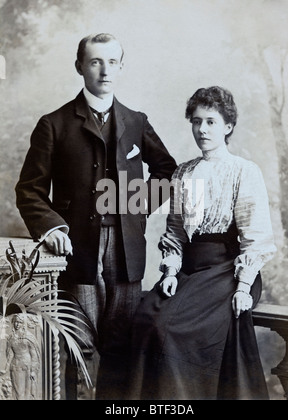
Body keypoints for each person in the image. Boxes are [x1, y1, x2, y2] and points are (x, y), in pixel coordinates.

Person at [15, 33, 177, 400]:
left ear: (122, 67)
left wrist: (135, 208)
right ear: (79, 67)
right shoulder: (53, 124)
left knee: (121, 346)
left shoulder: (136, 121)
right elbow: (29, 190)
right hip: (78, 250)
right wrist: (52, 227)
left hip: (127, 250)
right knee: (79, 346)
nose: (105, 71)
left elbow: (168, 172)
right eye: (95, 62)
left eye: (113, 62)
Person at [126, 86, 277, 400]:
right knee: (144, 320)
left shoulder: (243, 171)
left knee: (171, 329)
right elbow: (176, 234)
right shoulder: (183, 174)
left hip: (228, 270)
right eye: (196, 121)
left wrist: (243, 287)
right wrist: (169, 273)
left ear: (228, 126)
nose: (202, 129)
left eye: (210, 121)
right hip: (189, 271)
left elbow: (255, 237)